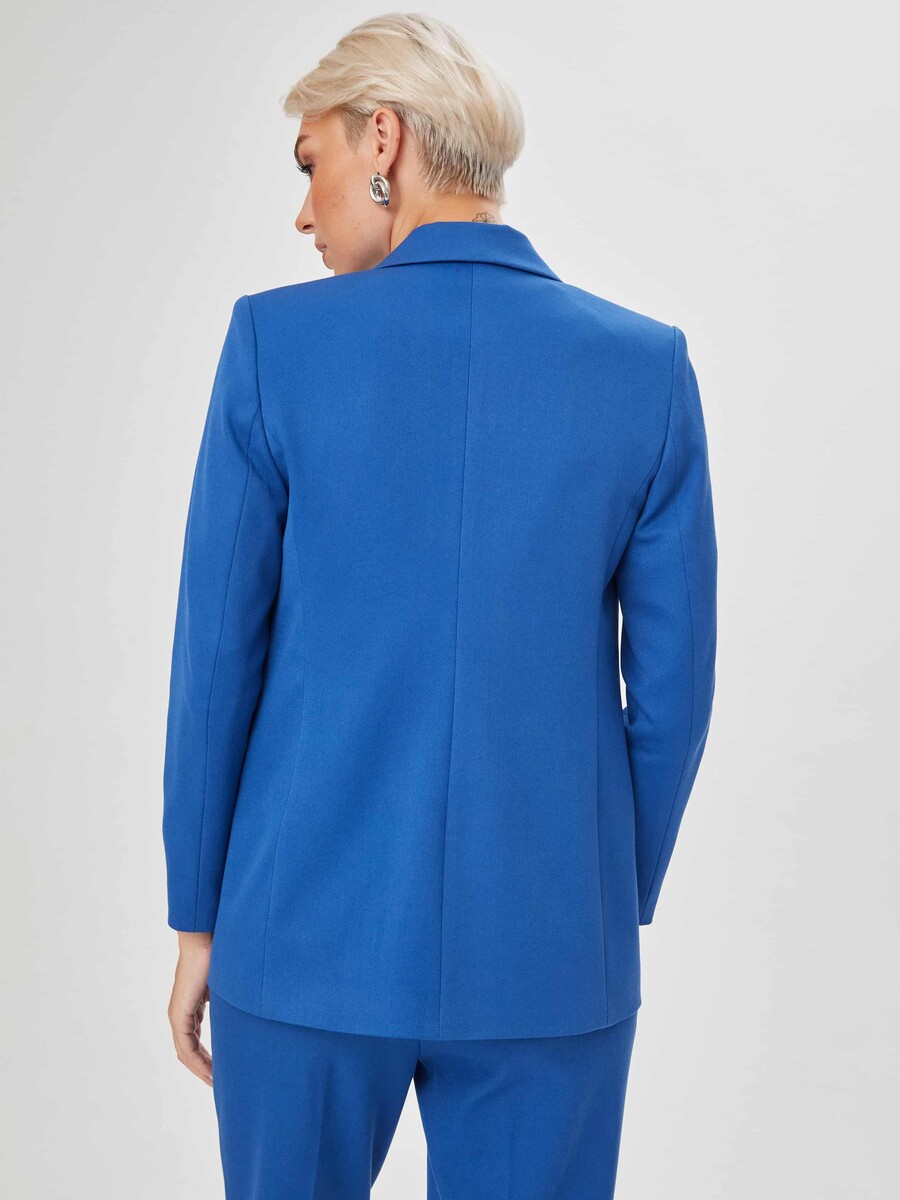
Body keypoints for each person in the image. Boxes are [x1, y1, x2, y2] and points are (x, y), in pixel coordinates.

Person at [161, 12, 718, 1199]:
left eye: (309, 164)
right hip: (550, 950)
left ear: (385, 139)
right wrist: (596, 891)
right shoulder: (644, 367)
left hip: (300, 937)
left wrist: (199, 914)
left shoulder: (273, 346)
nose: (302, 214)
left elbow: (217, 660)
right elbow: (671, 696)